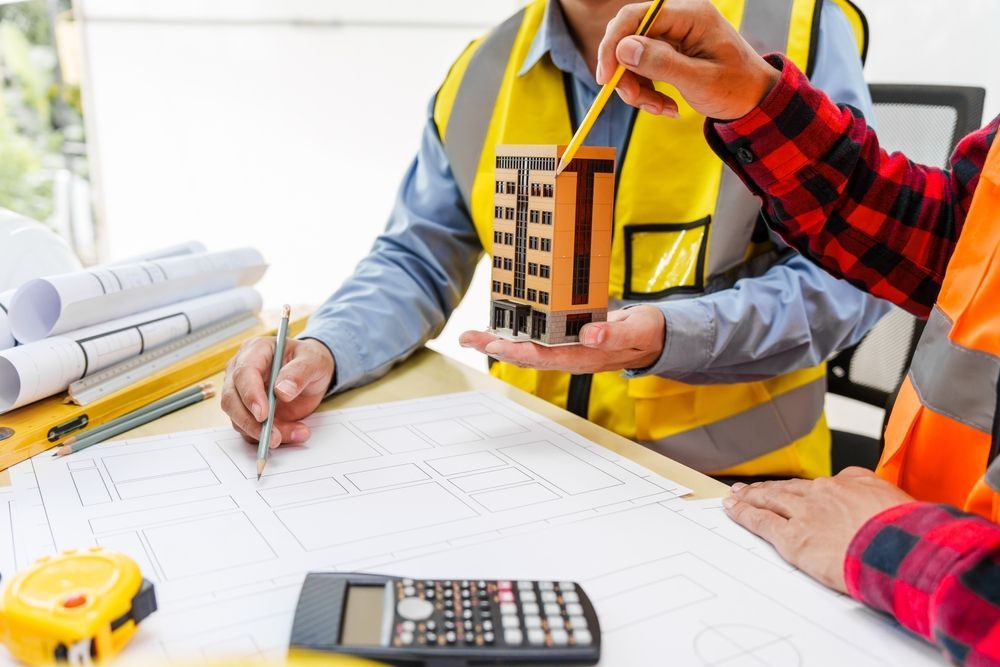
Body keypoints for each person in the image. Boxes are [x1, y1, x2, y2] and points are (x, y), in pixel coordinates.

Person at [221, 0, 889, 481]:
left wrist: (673, 333)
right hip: (530, 467)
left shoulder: (794, 28)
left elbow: (852, 280)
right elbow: (417, 258)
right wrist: (321, 350)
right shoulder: (481, 73)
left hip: (734, 488)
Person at [595, 1, 1000, 663]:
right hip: (895, 584)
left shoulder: (804, 18)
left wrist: (894, 544)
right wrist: (752, 99)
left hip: (907, 566)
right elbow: (954, 241)